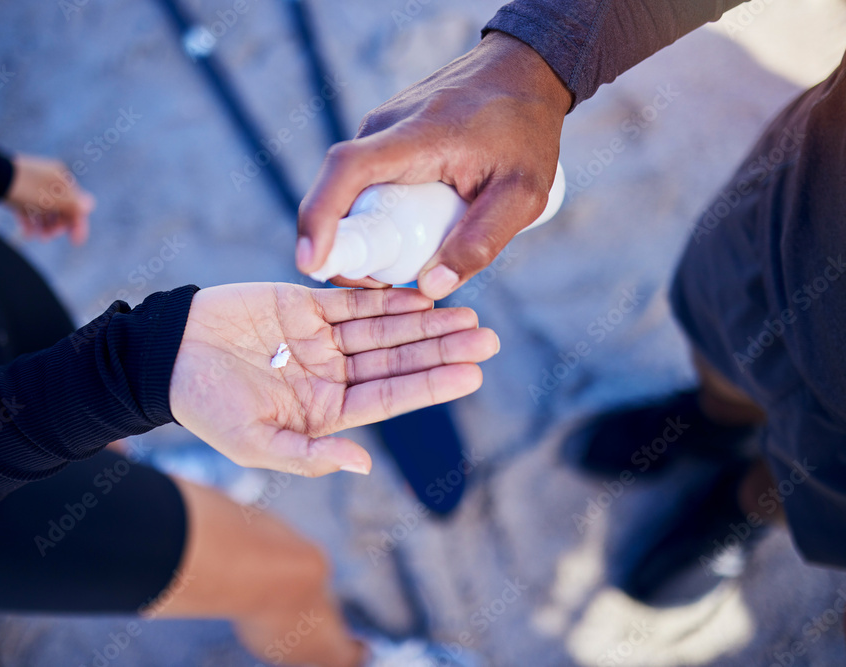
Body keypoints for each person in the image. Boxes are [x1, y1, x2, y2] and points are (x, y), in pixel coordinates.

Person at [0, 82, 500, 666]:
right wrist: (133, 370)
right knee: (291, 574)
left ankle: (141, 468)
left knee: (99, 426)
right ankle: (352, 660)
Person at [297, 0, 846, 601]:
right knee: (718, 327)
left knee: (818, 485)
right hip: (792, 215)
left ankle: (748, 500)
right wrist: (533, 60)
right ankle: (717, 422)